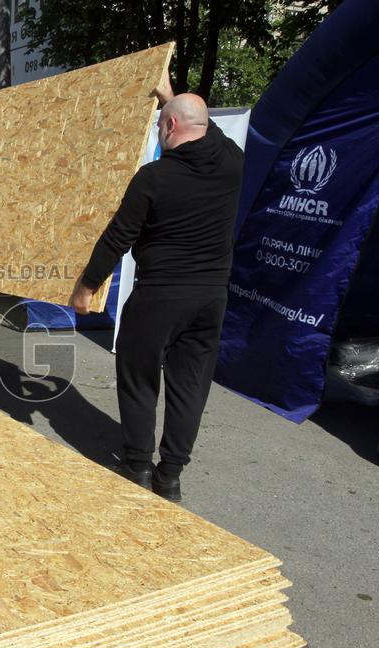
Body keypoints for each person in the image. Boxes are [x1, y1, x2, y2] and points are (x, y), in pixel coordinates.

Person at [70, 81, 244, 502]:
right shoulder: (233, 162)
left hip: (160, 296)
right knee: (191, 386)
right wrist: (173, 100)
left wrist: (86, 287)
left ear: (168, 126)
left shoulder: (154, 176)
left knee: (139, 379)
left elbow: (118, 237)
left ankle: (135, 466)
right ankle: (170, 475)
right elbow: (208, 131)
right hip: (211, 297)